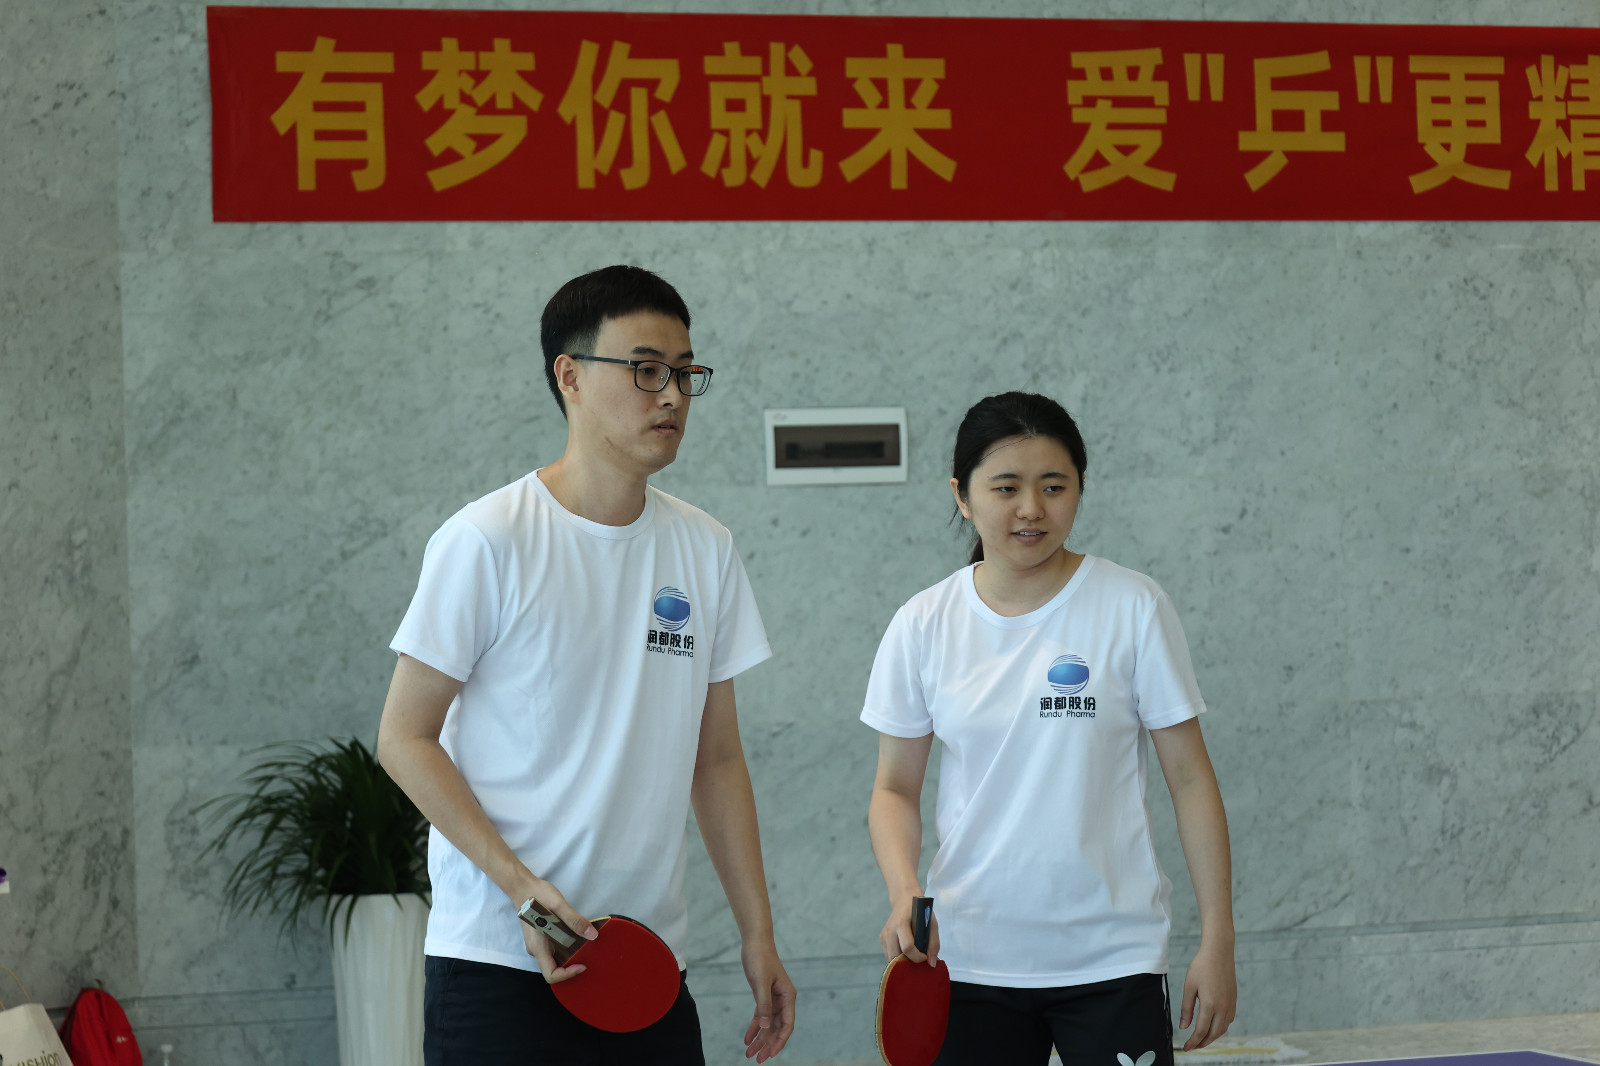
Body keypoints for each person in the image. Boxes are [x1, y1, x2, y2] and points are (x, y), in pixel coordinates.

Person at [377, 265, 795, 1065]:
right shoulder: (487, 539)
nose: (671, 396)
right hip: (499, 965)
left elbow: (715, 759)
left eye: (685, 373)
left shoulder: (705, 548)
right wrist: (523, 891)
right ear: (569, 376)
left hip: (645, 964)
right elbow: (404, 738)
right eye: (646, 370)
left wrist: (758, 933)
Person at [862, 391, 1236, 1066]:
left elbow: (1190, 780)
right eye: (1006, 487)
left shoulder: (1133, 606)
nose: (1032, 508)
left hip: (1113, 958)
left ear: (1079, 490)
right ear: (962, 496)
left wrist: (1219, 939)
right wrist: (902, 890)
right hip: (969, 957)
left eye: (1054, 486)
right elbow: (894, 789)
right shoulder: (923, 624)